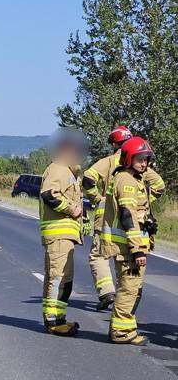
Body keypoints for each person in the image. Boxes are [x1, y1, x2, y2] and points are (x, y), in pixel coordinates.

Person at [82, 126, 165, 310]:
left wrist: (98, 199)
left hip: (106, 214)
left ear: (113, 143)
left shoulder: (108, 161)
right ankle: (125, 303)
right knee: (128, 266)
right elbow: (159, 185)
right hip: (132, 220)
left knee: (99, 254)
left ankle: (107, 292)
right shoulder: (140, 161)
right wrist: (143, 202)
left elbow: (88, 179)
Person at [101, 137, 160, 345]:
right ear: (127, 158)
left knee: (131, 287)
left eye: (146, 159)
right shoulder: (126, 180)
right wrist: (137, 250)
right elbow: (128, 215)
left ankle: (122, 328)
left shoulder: (133, 177)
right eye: (139, 159)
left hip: (129, 246)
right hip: (129, 248)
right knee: (129, 288)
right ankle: (121, 333)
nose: (144, 163)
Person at [39, 128, 88, 336]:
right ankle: (53, 321)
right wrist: (73, 209)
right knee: (58, 278)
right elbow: (49, 195)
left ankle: (58, 318)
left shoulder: (68, 171)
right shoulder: (59, 169)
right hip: (58, 235)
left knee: (63, 279)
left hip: (65, 236)